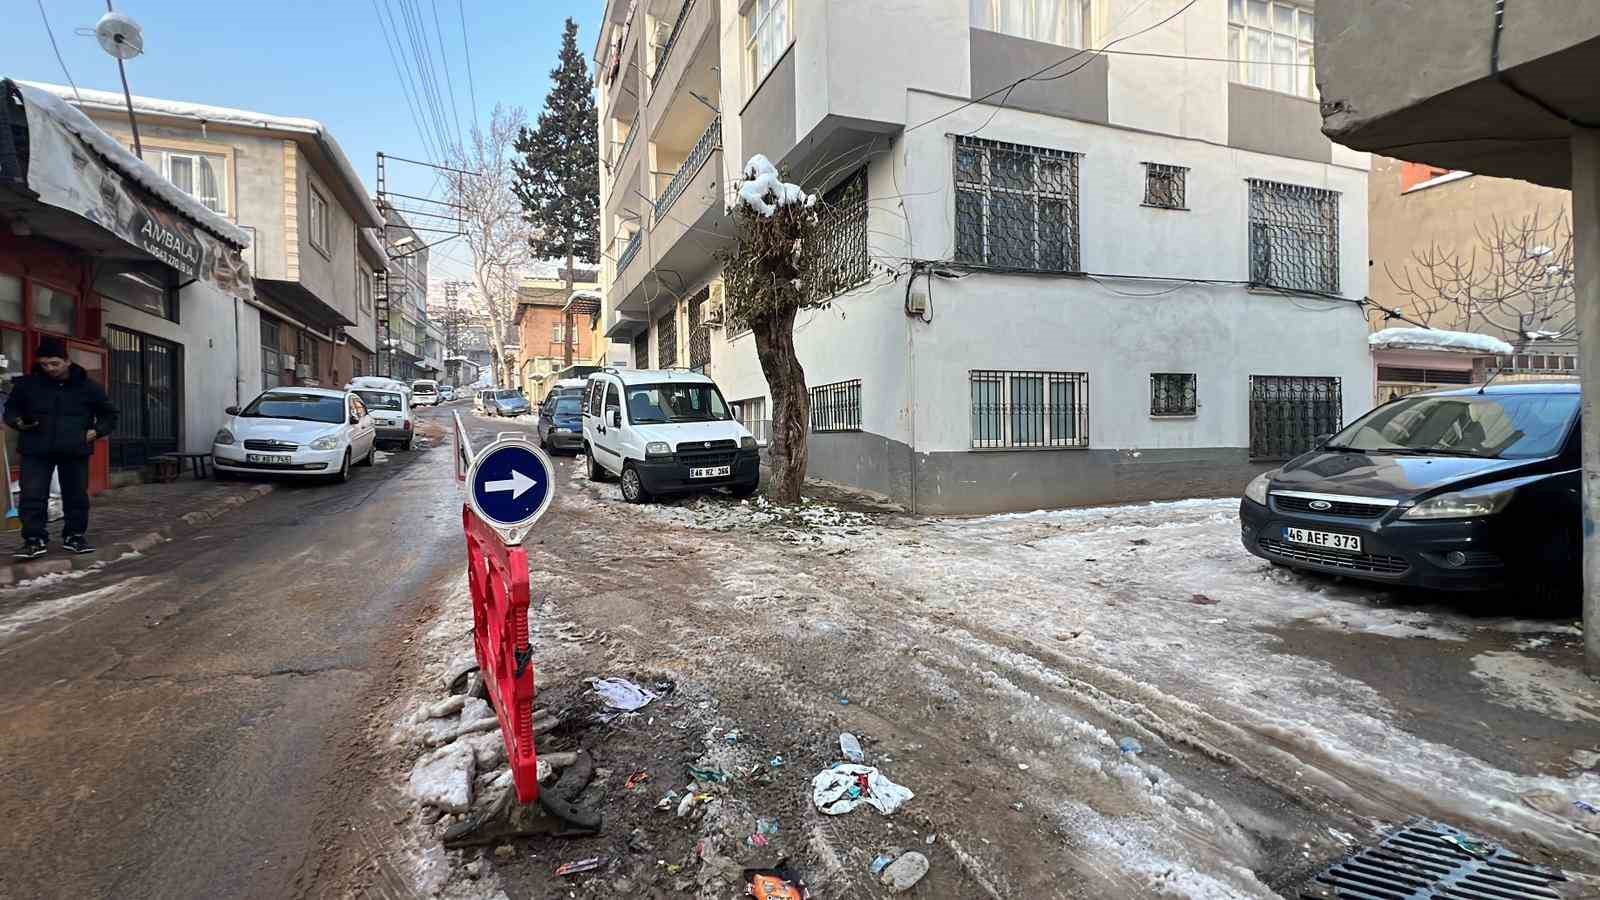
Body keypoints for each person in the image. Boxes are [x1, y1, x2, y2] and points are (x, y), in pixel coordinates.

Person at [3, 337, 118, 559]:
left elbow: (110, 415)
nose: (49, 368)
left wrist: (96, 431)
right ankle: (34, 540)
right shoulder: (28, 385)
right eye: (45, 364)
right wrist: (18, 422)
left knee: (75, 496)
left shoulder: (88, 387)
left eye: (54, 363)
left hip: (74, 449)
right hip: (35, 448)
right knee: (32, 495)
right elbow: (10, 410)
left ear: (66, 361)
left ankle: (74, 536)